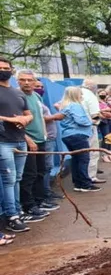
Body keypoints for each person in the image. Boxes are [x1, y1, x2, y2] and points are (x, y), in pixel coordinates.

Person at [17, 70, 57, 222]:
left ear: (34, 81)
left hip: (41, 140)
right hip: (28, 142)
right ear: (18, 81)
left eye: (30, 80)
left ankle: (40, 201)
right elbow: (17, 123)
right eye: (23, 80)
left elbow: (40, 117)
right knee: (29, 175)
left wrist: (44, 135)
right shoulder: (17, 96)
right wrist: (28, 140)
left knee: (41, 171)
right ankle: (28, 206)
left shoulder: (36, 96)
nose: (27, 82)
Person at [0, 57, 32, 234]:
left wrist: (25, 119)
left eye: (6, 67)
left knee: (17, 178)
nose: (3, 70)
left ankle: (17, 210)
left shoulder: (17, 92)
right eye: (0, 68)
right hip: (3, 141)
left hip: (20, 140)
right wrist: (12, 119)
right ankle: (11, 215)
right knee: (8, 179)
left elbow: (29, 114)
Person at [56, 87, 100, 193]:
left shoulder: (65, 106)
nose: (82, 96)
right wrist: (91, 121)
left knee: (76, 159)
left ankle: (78, 183)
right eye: (80, 94)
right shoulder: (75, 105)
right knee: (83, 159)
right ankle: (85, 184)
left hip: (68, 135)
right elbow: (81, 120)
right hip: (78, 135)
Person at [36, 82, 63, 205]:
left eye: (41, 87)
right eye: (37, 86)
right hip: (45, 139)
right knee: (45, 167)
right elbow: (41, 118)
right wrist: (55, 116)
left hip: (50, 138)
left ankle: (46, 191)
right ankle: (44, 194)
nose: (40, 89)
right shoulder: (33, 102)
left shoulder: (39, 100)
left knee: (47, 167)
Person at [81, 79, 103, 183]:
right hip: (90, 127)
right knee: (93, 152)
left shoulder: (76, 93)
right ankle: (91, 177)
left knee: (80, 155)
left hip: (77, 130)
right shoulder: (90, 95)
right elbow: (95, 114)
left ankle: (82, 178)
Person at [97, 89, 111, 162]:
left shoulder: (106, 102)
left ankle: (109, 154)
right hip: (103, 121)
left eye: (104, 93)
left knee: (110, 138)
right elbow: (99, 111)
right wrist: (106, 110)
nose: (103, 95)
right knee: (106, 138)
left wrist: (107, 109)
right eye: (101, 93)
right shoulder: (97, 102)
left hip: (110, 120)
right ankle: (104, 155)